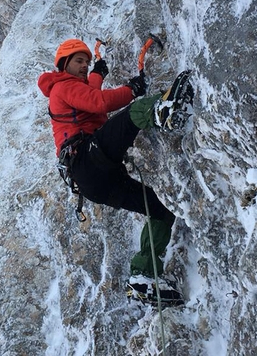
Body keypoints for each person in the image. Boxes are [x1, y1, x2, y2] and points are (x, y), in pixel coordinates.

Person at [38, 39, 191, 305]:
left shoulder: (75, 87)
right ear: (63, 64)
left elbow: (91, 88)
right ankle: (166, 109)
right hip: (87, 159)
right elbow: (98, 101)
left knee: (160, 208)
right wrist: (132, 90)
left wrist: (100, 70)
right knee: (134, 113)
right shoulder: (62, 88)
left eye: (86, 62)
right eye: (78, 61)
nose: (84, 66)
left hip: (94, 182)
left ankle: (144, 275)